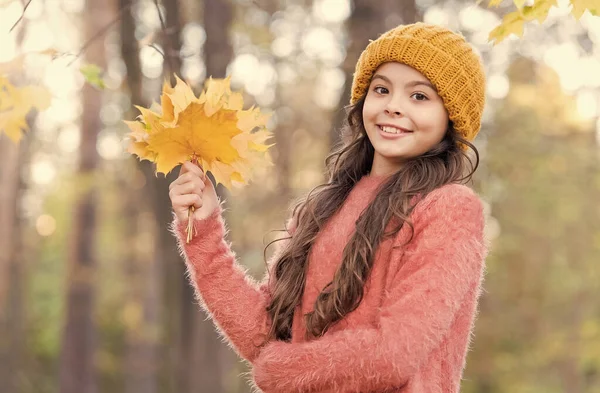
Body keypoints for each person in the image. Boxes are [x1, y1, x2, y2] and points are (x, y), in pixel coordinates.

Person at [169, 22, 489, 393]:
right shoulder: (324, 208)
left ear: (451, 117)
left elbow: (395, 353)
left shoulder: (449, 209)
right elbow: (265, 334)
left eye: (419, 96)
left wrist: (280, 371)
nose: (393, 107)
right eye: (381, 89)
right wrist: (203, 232)